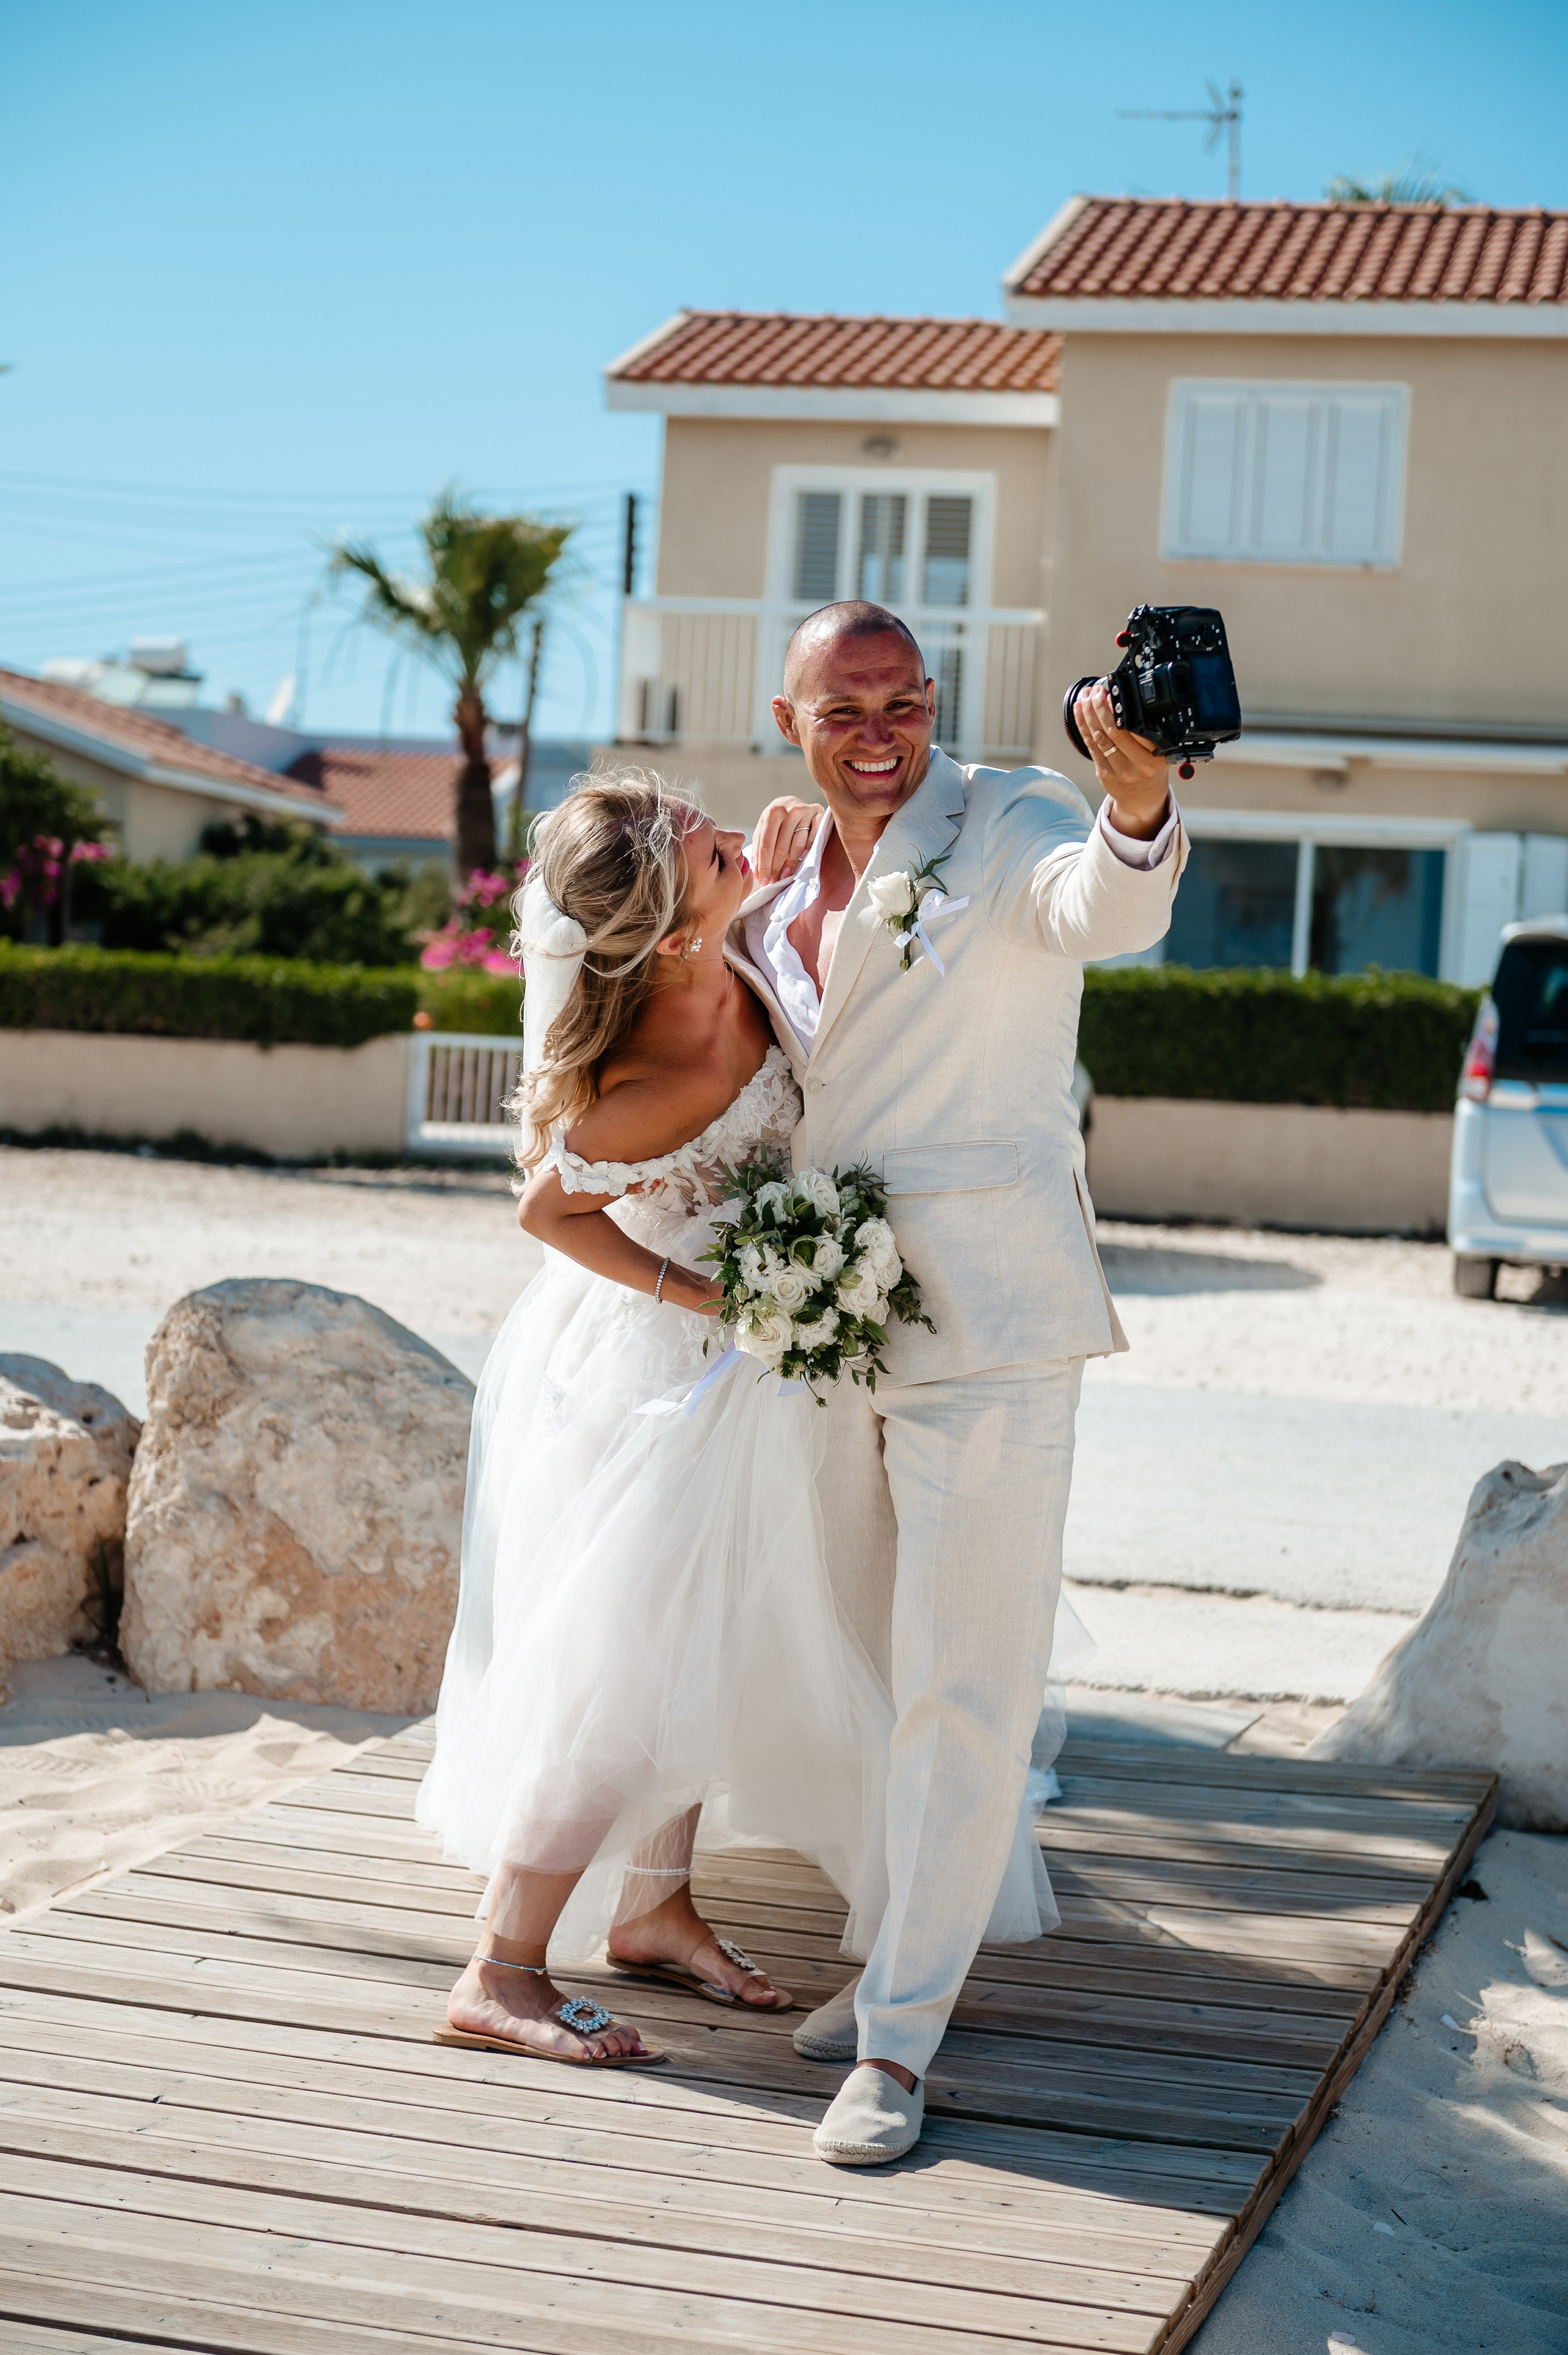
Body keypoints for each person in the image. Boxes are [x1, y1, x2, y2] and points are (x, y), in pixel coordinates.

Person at [726, 600, 1185, 2163]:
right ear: (788, 717)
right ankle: (890, 1962)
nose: (877, 730)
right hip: (824, 1320)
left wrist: (1134, 801)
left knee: (965, 1680)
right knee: (868, 1657)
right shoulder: (775, 863)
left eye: (901, 699)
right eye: (841, 706)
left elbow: (1098, 911)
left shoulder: (1012, 818)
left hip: (990, 1315)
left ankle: (901, 2042)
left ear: (933, 702)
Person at [417, 768, 895, 2065]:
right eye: (708, 847)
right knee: (627, 1660)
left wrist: (797, 865)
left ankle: (652, 1903)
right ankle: (501, 1967)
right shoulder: (655, 1072)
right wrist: (707, 1289)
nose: (732, 832)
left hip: (748, 1360)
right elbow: (545, 1209)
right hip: (664, 1374)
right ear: (675, 929)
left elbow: (802, 918)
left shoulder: (723, 940)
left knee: (711, 1631)